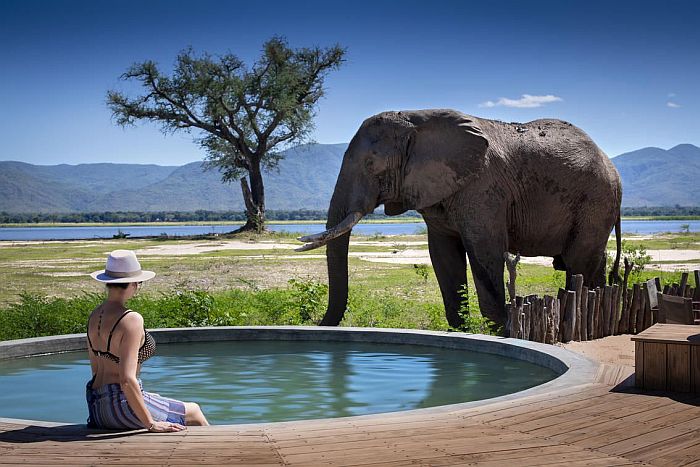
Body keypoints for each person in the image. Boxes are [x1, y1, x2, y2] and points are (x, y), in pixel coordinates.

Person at [86, 249, 208, 431]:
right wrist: (151, 424)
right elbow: (126, 380)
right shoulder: (131, 319)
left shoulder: (95, 315)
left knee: (160, 400)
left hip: (97, 408)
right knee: (194, 411)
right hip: (121, 407)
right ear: (134, 283)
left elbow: (95, 369)